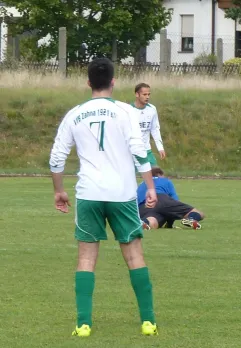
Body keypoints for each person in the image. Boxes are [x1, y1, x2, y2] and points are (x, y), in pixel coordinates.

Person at [49, 58, 159, 337]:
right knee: (134, 256)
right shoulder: (125, 112)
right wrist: (150, 187)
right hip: (121, 194)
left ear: (88, 83)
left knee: (86, 259)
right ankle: (148, 322)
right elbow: (140, 151)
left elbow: (57, 158)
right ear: (113, 81)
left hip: (89, 194)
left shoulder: (74, 114)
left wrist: (59, 190)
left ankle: (83, 324)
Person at [137, 167, 205, 230]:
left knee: (152, 221)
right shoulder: (165, 180)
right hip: (161, 198)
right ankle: (191, 219)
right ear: (159, 174)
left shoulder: (141, 184)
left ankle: (144, 223)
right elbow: (174, 202)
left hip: (143, 206)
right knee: (198, 213)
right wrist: (170, 223)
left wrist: (169, 225)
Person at [130, 83, 165, 167]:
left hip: (146, 150)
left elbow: (155, 129)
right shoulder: (129, 110)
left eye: (149, 94)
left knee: (157, 174)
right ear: (137, 94)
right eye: (144, 94)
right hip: (132, 151)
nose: (147, 97)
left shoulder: (152, 109)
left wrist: (160, 148)